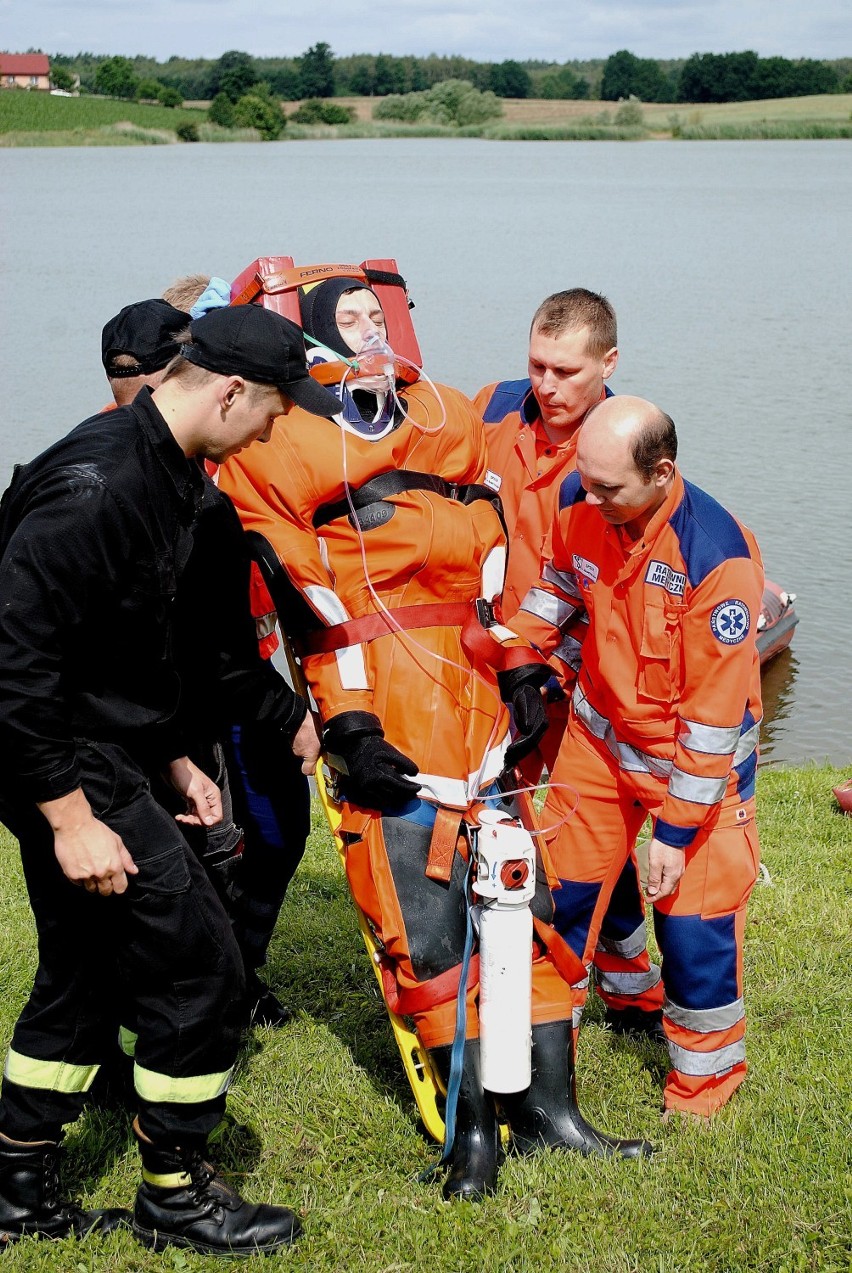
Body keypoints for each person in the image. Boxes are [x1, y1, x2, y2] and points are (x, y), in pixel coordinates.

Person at [219, 272, 652, 1203]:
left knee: (516, 893)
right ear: (309, 338)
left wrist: (521, 663)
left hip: (474, 684)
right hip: (380, 694)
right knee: (425, 917)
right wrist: (348, 725)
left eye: (380, 316)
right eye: (351, 319)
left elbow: (500, 549)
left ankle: (551, 1111)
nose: (372, 331)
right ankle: (472, 1138)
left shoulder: (446, 415)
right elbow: (307, 603)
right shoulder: (272, 445)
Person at [0, 304, 338, 1254]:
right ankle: (177, 1190)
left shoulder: (170, 474)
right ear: (230, 390)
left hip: (100, 749)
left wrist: (177, 759)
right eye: (275, 407)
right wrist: (70, 818)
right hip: (59, 760)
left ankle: (15, 1181)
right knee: (200, 963)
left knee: (83, 966)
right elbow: (15, 668)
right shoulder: (99, 485)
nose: (278, 426)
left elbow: (124, 654)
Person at [508, 395, 763, 1118]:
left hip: (694, 774)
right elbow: (557, 587)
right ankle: (581, 1024)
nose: (589, 497)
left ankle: (704, 1081)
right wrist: (523, 657)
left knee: (694, 926)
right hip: (598, 743)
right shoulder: (581, 497)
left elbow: (712, 723)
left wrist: (675, 836)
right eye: (584, 480)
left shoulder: (717, 558)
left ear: (661, 473)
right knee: (563, 898)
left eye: (607, 487)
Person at [474, 290, 666, 1040]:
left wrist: (550, 670)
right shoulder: (495, 409)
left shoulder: (623, 454)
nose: (546, 385)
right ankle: (618, 990)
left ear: (609, 364)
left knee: (582, 847)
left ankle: (582, 1001)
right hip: (497, 671)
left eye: (566, 370)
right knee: (555, 843)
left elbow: (623, 599)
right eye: (537, 365)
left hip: (570, 691)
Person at [162, 272, 314, 1025]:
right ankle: (211, 985)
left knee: (282, 825)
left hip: (251, 670)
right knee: (207, 842)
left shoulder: (261, 445)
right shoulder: (146, 460)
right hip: (192, 689)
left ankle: (241, 968)